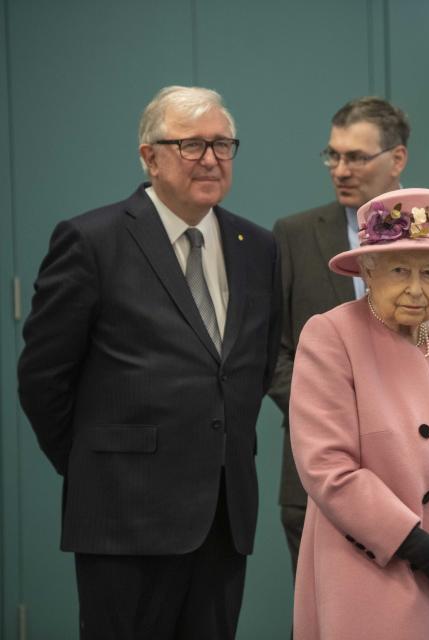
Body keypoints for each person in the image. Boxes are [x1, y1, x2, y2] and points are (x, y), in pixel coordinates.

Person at [17, 85, 281, 638]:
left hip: (222, 516)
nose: (211, 159)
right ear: (149, 156)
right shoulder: (91, 240)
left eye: (223, 144)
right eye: (191, 145)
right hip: (123, 514)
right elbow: (43, 377)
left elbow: (250, 370)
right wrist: (96, 462)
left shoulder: (256, 246)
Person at [288, 187, 429, 639]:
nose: (416, 288)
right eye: (399, 270)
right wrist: (416, 546)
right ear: (368, 271)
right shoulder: (332, 335)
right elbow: (328, 468)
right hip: (374, 572)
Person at [268, 97, 410, 575]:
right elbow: (272, 354)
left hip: (416, 466)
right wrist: (335, 412)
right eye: (334, 155)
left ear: (397, 160)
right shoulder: (294, 234)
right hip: (317, 474)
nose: (341, 169)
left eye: (355, 157)